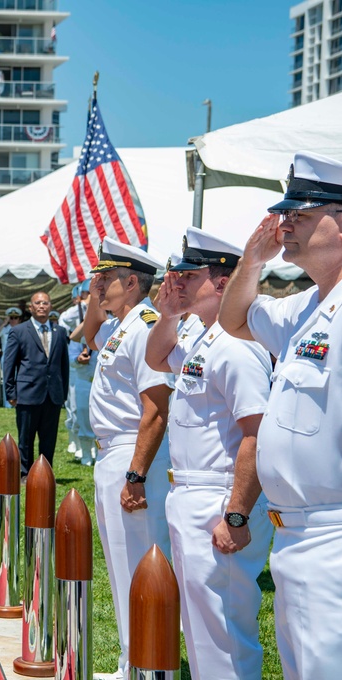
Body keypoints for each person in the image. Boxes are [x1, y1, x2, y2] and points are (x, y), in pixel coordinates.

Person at [219, 151, 342, 680]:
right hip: (294, 537)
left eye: (303, 212)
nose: (285, 223)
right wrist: (252, 262)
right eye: (285, 212)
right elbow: (236, 318)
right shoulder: (309, 305)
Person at [145, 228, 274, 680]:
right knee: (201, 624)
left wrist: (237, 514)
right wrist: (167, 315)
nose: (176, 282)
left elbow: (256, 435)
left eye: (188, 275)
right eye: (176, 275)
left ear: (223, 283)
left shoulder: (237, 347)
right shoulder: (202, 336)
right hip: (192, 493)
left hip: (221, 496)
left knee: (223, 625)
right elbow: (159, 360)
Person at [83, 238, 172, 679]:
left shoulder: (146, 326)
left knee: (139, 562)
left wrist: (136, 475)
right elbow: (89, 333)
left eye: (106, 277)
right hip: (114, 453)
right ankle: (131, 662)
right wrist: (96, 297)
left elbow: (156, 407)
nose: (97, 284)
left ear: (131, 281)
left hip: (133, 454)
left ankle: (147, 664)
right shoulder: (124, 325)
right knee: (122, 567)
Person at [2, 291, 70, 475]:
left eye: (45, 303)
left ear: (51, 306)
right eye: (38, 303)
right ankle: (25, 473)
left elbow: (64, 365)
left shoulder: (60, 331)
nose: (42, 306)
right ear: (31, 308)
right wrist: (10, 392)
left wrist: (62, 394)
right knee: (26, 439)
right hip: (27, 393)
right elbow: (9, 364)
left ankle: (45, 475)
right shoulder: (19, 331)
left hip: (53, 395)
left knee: (49, 439)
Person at [59, 281, 97, 465]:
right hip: (81, 375)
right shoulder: (77, 327)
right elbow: (64, 321)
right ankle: (84, 451)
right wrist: (84, 304)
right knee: (78, 411)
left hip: (99, 379)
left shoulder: (108, 324)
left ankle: (95, 450)